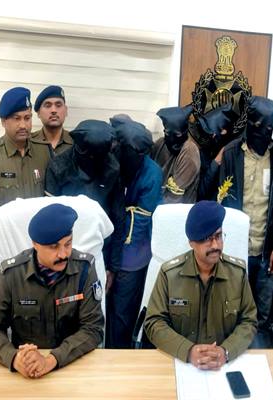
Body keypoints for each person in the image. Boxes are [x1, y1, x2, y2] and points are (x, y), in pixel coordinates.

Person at [0, 203, 104, 378]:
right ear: (35, 244)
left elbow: (93, 328)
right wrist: (14, 359)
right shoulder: (11, 274)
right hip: (26, 370)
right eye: (54, 247)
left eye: (68, 244)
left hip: (71, 366)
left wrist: (51, 360)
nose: (63, 254)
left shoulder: (84, 269)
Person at [207, 96, 273, 345]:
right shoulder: (232, 153)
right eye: (260, 127)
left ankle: (257, 358)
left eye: (270, 128)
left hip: (264, 250)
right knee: (230, 308)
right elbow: (215, 197)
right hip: (234, 249)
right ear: (250, 124)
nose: (265, 134)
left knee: (261, 317)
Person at [144, 201, 257, 369]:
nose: (215, 245)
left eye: (218, 236)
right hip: (180, 364)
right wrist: (188, 351)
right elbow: (154, 322)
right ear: (191, 243)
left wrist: (226, 351)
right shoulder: (170, 275)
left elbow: (249, 321)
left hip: (224, 366)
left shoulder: (237, 274)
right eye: (207, 239)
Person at [0, 87, 51, 275]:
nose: (23, 125)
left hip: (40, 257)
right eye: (16, 118)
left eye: (27, 118)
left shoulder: (44, 153)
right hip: (4, 258)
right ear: (4, 121)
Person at [45, 119, 124, 289]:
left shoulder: (112, 168)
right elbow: (49, 218)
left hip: (99, 247)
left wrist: (112, 267)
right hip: (65, 249)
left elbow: (118, 218)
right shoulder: (59, 166)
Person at [107, 116, 163, 348]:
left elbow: (138, 224)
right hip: (107, 245)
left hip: (132, 253)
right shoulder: (112, 160)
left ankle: (118, 355)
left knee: (123, 312)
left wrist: (115, 265)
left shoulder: (152, 173)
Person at [152, 105, 201, 203]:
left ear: (185, 131)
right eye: (167, 133)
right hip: (156, 199)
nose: (171, 138)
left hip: (177, 207)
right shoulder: (161, 143)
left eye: (177, 134)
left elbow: (173, 197)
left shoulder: (189, 151)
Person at [32, 85, 72, 155]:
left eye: (58, 105)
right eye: (48, 106)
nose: (53, 110)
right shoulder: (29, 143)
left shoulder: (77, 143)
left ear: (66, 111)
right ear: (38, 113)